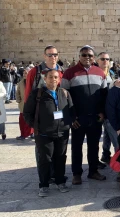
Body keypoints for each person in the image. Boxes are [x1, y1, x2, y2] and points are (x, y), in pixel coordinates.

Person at [24, 69, 75, 197]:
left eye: (56, 77)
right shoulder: (38, 94)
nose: (53, 80)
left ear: (59, 80)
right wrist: (37, 127)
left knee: (60, 157)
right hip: (44, 134)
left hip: (62, 133)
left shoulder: (64, 93)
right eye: (51, 77)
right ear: (45, 78)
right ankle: (44, 184)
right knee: (45, 159)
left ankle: (60, 181)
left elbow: (71, 110)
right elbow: (27, 112)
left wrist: (68, 124)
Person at [61, 45, 108, 184]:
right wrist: (70, 117)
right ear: (79, 56)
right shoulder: (69, 73)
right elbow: (64, 97)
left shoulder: (100, 73)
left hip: (95, 117)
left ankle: (93, 171)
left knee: (94, 146)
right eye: (84, 55)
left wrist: (103, 112)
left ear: (94, 58)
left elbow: (104, 95)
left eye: (90, 55)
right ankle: (77, 174)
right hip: (78, 118)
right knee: (76, 146)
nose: (87, 58)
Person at [16, 66, 34, 140]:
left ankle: (31, 133)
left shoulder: (33, 81)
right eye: (24, 73)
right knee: (22, 120)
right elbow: (17, 93)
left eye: (26, 73)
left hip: (31, 104)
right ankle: (23, 134)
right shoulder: (20, 83)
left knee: (31, 119)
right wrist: (18, 100)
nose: (25, 75)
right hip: (23, 104)